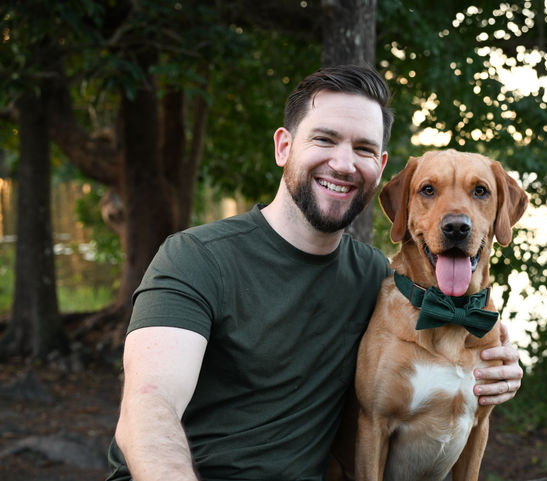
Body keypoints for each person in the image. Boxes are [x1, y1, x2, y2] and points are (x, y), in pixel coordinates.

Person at [106, 64, 522, 481]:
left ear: (380, 167)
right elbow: (149, 408)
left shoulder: (380, 280)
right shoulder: (195, 258)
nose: (342, 164)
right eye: (324, 139)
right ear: (283, 147)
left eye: (363, 149)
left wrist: (502, 370)